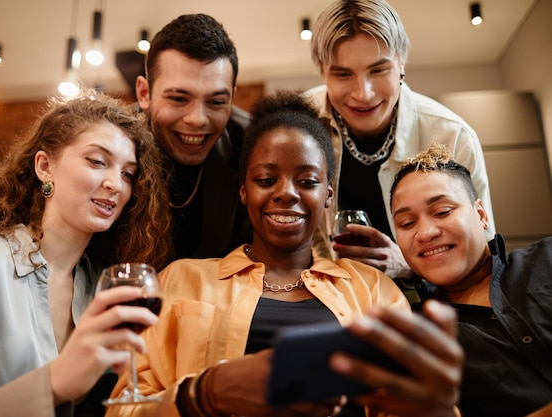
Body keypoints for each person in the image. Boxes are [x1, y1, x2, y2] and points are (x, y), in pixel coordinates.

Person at [106, 91, 463, 417]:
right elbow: (123, 408)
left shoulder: (370, 289)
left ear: (328, 194)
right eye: (265, 180)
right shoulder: (181, 280)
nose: (286, 194)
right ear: (243, 191)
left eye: (307, 182)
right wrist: (203, 395)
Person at [0, 92, 172, 416]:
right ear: (45, 166)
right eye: (98, 161)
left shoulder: (103, 285)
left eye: (128, 173)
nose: (116, 183)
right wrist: (52, 383)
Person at [306, 0, 495, 280]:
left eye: (378, 70)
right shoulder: (299, 125)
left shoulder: (452, 135)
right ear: (322, 71)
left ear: (401, 62)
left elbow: (484, 255)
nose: (364, 93)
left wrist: (407, 266)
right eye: (343, 74)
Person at [390, 143, 552, 416]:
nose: (426, 232)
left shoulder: (547, 259)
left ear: (481, 214)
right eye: (407, 223)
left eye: (442, 212)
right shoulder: (418, 340)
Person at [135, 13, 252, 261]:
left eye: (216, 102)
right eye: (179, 99)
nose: (197, 119)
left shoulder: (252, 148)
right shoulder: (112, 148)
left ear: (231, 98)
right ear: (144, 93)